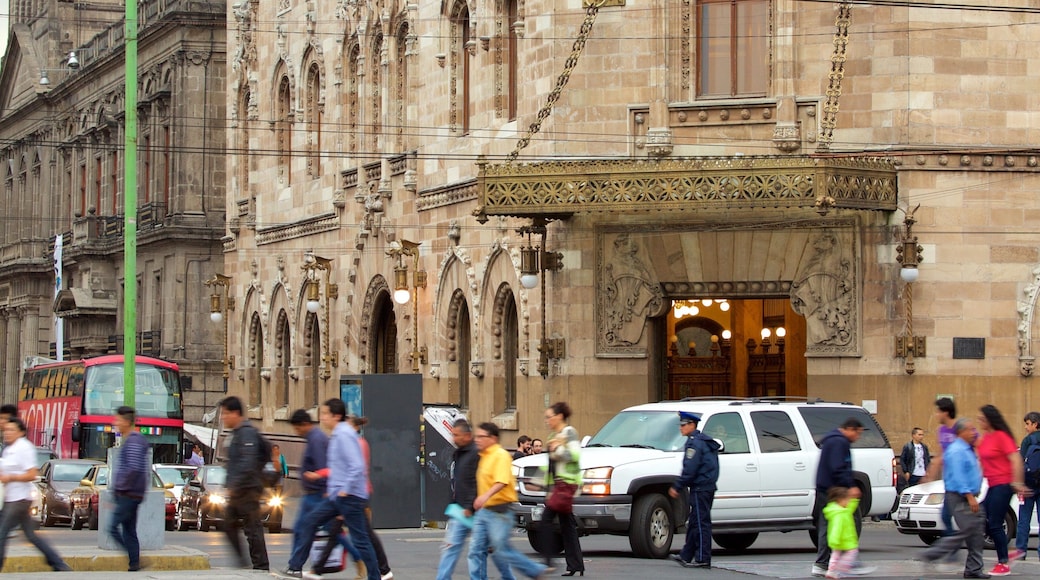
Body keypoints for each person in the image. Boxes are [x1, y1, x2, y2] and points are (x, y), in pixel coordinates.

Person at [294, 398, 380, 580]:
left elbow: (357, 466)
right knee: (310, 521)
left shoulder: (343, 435)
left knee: (361, 540)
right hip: (337, 497)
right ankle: (295, 567)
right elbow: (339, 467)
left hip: (350, 496)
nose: (322, 417)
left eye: (325, 414)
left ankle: (375, 576)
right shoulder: (336, 434)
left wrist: (344, 489)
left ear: (337, 416)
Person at [467, 422, 549, 580]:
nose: (477, 440)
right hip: (484, 512)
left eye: (481, 437)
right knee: (475, 550)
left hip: (500, 511)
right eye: (476, 436)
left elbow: (502, 481)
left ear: (493, 438)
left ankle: (535, 571)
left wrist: (485, 496)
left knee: (501, 550)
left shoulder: (500, 455)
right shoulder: (483, 456)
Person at [435, 418, 514, 580]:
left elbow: (477, 483)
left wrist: (470, 507)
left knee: (489, 551)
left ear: (467, 435)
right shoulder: (459, 453)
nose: (453, 438)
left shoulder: (477, 454)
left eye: (456, 435)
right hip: (461, 510)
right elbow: (458, 482)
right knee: (455, 548)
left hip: (475, 510)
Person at [0, 417, 72, 572]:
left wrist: (11, 477)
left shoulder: (24, 448)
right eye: (6, 430)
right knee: (30, 535)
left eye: (11, 430)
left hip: (19, 500)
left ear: (20, 432)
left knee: (2, 532)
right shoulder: (8, 449)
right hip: (10, 498)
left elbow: (32, 474)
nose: (7, 433)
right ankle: (58, 563)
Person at [920, 418, 988, 579]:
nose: (974, 432)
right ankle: (933, 553)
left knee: (976, 531)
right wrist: (969, 496)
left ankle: (974, 569)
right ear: (961, 432)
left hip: (966, 496)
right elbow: (959, 477)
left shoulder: (966, 449)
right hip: (960, 497)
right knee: (969, 529)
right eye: (970, 429)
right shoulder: (957, 451)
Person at [976, 405, 1028, 575]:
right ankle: (1007, 554)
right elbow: (981, 464)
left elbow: (1016, 460)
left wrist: (1018, 483)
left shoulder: (1001, 437)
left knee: (996, 523)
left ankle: (1003, 563)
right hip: (992, 485)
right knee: (981, 516)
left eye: (982, 418)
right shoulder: (986, 438)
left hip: (1004, 485)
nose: (979, 421)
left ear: (990, 419)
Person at [219, 396, 270, 571]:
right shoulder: (237, 434)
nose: (223, 418)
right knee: (230, 525)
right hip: (240, 489)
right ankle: (246, 563)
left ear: (235, 413)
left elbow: (247, 462)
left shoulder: (246, 433)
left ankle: (260, 566)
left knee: (252, 529)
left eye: (226, 413)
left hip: (247, 490)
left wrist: (235, 485)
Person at [285, 409, 336, 578]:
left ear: (305, 424)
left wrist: (324, 491)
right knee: (305, 529)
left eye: (297, 428)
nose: (296, 432)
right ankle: (294, 565)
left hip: (318, 494)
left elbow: (323, 467)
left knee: (306, 529)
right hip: (313, 494)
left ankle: (295, 565)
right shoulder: (314, 438)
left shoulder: (316, 439)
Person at [812, 417, 864, 578]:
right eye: (858, 433)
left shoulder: (834, 440)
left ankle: (827, 562)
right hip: (833, 490)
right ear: (850, 429)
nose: (858, 437)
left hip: (828, 488)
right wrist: (850, 486)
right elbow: (838, 467)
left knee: (829, 524)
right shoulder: (838, 442)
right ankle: (844, 559)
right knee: (845, 522)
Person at [669, 411, 720, 570]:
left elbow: (690, 468)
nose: (681, 428)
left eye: (683, 425)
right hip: (706, 486)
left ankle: (703, 558)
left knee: (700, 523)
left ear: (692, 425)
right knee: (695, 522)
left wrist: (678, 486)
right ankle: (686, 554)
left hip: (700, 487)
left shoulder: (694, 443)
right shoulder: (703, 440)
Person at [346, 415, 393, 580]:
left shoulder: (357, 444)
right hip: (357, 492)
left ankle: (380, 570)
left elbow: (354, 469)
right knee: (361, 534)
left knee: (362, 535)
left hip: (356, 493)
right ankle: (380, 570)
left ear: (354, 427)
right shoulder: (358, 442)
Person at [540, 402, 584, 575]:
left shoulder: (569, 432)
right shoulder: (554, 435)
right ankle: (576, 565)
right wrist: (544, 485)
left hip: (566, 485)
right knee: (568, 526)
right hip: (559, 486)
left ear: (559, 417)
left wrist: (557, 448)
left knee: (545, 520)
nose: (547, 421)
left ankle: (548, 561)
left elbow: (574, 455)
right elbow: (550, 466)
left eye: (549, 417)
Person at [110, 406, 150, 572]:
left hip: (128, 493)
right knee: (129, 530)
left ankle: (134, 558)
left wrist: (120, 487)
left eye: (118, 420)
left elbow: (133, 467)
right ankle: (134, 563)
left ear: (126, 422)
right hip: (132, 493)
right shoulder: (134, 439)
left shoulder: (133, 440)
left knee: (112, 527)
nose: (115, 423)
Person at [923, 397, 958, 537]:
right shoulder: (941, 430)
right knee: (946, 516)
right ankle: (952, 550)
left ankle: (956, 549)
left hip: (961, 480)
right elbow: (939, 455)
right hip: (949, 479)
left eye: (938, 411)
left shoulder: (960, 428)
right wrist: (929, 476)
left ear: (946, 412)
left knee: (961, 518)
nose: (936, 414)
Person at [1015, 411, 1040, 560]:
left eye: (1027, 423)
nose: (1025, 427)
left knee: (1024, 519)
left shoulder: (1027, 440)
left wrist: (1019, 484)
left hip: (1027, 485)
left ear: (1035, 424)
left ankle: (1021, 551)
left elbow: (1019, 462)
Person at [823, 487, 862, 579]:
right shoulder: (840, 513)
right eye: (847, 499)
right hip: (844, 538)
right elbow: (837, 528)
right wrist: (835, 539)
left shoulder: (842, 510)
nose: (849, 501)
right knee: (852, 552)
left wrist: (854, 499)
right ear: (841, 500)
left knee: (835, 555)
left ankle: (831, 570)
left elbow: (851, 507)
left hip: (840, 539)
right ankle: (841, 568)